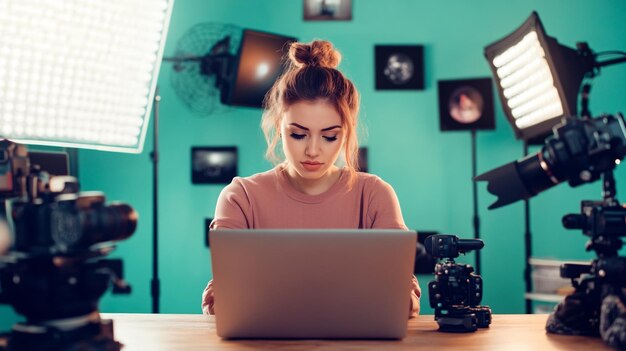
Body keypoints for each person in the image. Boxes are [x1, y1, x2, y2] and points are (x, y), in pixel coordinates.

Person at [201, 39, 420, 318]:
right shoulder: (241, 197)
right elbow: (223, 297)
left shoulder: (375, 194)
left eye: (329, 136)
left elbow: (403, 295)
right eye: (298, 134)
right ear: (279, 126)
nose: (313, 150)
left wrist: (401, 297)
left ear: (347, 132)